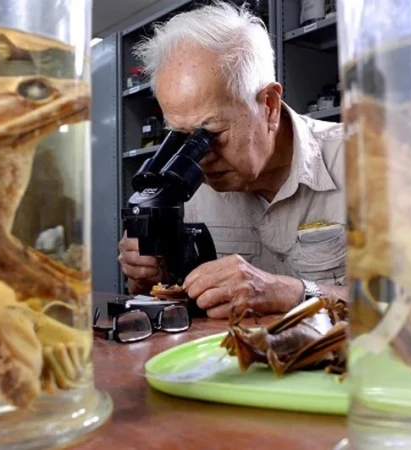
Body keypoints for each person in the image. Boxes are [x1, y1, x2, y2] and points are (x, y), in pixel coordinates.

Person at [118, 1, 347, 319]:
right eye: (183, 137)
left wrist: (294, 293)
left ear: (269, 105)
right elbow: (171, 304)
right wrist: (152, 278)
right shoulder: (189, 191)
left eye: (210, 133)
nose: (201, 158)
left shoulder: (365, 161)